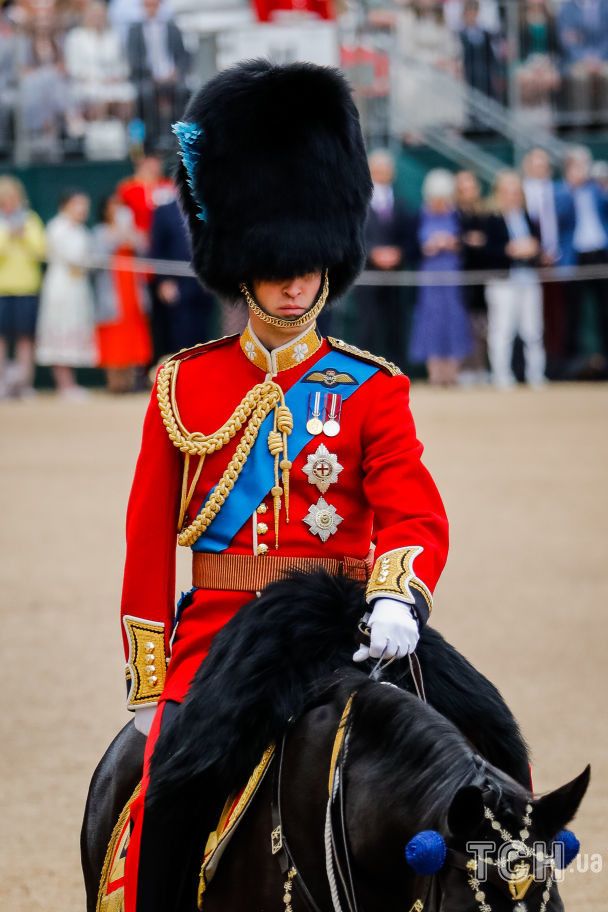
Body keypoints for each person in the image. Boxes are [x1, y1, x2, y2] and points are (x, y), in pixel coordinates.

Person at [118, 61, 449, 912]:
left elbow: (411, 508)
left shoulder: (371, 387)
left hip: (348, 625)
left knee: (490, 745)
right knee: (172, 794)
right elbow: (148, 533)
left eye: (309, 263)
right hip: (223, 635)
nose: (297, 281)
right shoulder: (182, 385)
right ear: (242, 263)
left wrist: (397, 596)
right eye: (276, 265)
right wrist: (153, 670)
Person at [408, 169, 473, 385]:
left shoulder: (458, 215)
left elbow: (468, 243)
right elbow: (411, 248)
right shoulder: (420, 215)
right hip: (429, 277)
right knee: (431, 321)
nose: (439, 202)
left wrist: (454, 243)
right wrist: (427, 247)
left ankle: (452, 373)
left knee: (453, 319)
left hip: (453, 276)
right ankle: (435, 373)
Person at [483, 170, 545, 388]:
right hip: (503, 281)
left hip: (528, 278)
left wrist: (533, 249)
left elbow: (539, 245)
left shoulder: (528, 216)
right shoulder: (491, 218)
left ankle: (536, 374)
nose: (512, 196)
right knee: (502, 330)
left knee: (533, 329)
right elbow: (487, 250)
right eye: (507, 192)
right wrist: (509, 250)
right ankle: (501, 375)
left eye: (516, 192)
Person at [354, 148, 414, 368]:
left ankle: (396, 371)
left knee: (395, 324)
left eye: (386, 169)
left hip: (395, 275)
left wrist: (398, 253)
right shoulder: (359, 201)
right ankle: (363, 372)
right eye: (377, 169)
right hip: (368, 274)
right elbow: (355, 234)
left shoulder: (401, 202)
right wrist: (373, 253)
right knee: (367, 325)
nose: (382, 173)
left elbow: (409, 237)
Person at [35, 189, 97, 397]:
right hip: (61, 289)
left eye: (84, 205)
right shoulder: (57, 228)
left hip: (77, 289)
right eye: (78, 204)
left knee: (74, 328)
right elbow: (72, 258)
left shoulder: (81, 231)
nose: (82, 209)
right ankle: (64, 384)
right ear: (66, 205)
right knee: (60, 330)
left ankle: (69, 383)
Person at [92, 193, 152, 393]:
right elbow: (98, 258)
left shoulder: (132, 231)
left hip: (132, 291)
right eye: (113, 205)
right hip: (112, 292)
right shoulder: (100, 232)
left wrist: (131, 233)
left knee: (132, 334)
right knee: (113, 335)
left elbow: (144, 248)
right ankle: (114, 383)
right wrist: (118, 233)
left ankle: (131, 380)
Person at [555, 146, 608, 368]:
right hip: (575, 257)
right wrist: (572, 189)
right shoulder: (560, 191)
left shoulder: (597, 190)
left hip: (600, 254)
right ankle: (573, 362)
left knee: (604, 310)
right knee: (573, 312)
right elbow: (560, 217)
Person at [149, 196, 216, 357]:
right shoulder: (164, 212)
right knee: (180, 334)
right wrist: (163, 282)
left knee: (202, 334)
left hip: (203, 285)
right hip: (177, 285)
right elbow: (157, 249)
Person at [522, 147, 566, 377]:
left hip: (559, 262)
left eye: (543, 165)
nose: (539, 169)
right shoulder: (521, 193)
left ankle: (556, 366)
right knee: (530, 321)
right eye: (535, 165)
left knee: (557, 317)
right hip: (529, 265)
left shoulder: (559, 191)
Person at [0, 176, 46, 398]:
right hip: (2, 290)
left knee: (25, 339)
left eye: (13, 198)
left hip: (27, 288)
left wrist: (24, 236)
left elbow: (40, 250)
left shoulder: (30, 220)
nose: (9, 202)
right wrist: (8, 235)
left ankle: (25, 384)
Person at [126, 0, 190, 150]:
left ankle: (176, 135)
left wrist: (176, 72)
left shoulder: (173, 28)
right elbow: (133, 59)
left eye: (154, 5)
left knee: (182, 92)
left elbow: (182, 55)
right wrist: (152, 74)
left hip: (171, 76)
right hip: (147, 77)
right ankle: (152, 137)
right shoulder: (134, 30)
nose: (151, 9)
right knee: (146, 94)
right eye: (148, 5)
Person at [455, 169, 489, 382]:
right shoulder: (454, 214)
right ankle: (466, 368)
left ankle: (481, 367)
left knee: (483, 325)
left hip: (483, 277)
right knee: (464, 324)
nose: (468, 192)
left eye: (471, 187)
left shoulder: (485, 214)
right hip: (460, 276)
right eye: (464, 188)